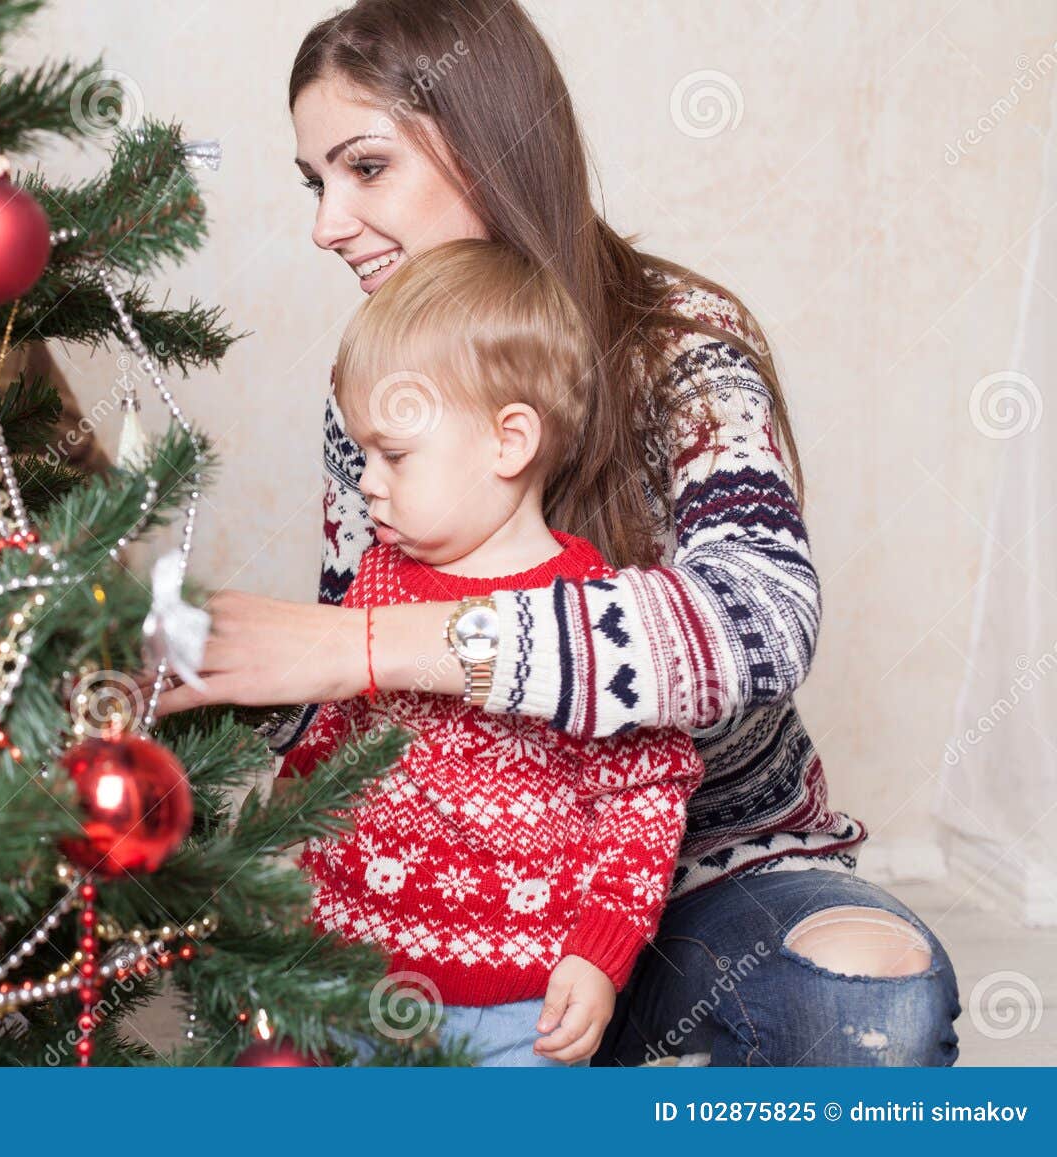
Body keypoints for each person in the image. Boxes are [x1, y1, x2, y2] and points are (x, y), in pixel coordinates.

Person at [158, 0, 962, 1066]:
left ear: (483, 139)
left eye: (364, 167)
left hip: (699, 874)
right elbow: (359, 683)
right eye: (316, 183)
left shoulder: (680, 345)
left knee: (869, 1004)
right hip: (458, 914)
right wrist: (178, 696)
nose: (326, 224)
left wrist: (358, 646)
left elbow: (760, 620)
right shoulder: (374, 394)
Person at [276, 238, 705, 1067]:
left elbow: (645, 795)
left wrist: (600, 949)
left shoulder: (591, 618)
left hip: (517, 1005)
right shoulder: (378, 579)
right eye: (364, 451)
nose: (366, 479)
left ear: (509, 442)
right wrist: (285, 832)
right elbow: (335, 731)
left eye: (394, 454)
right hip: (346, 975)